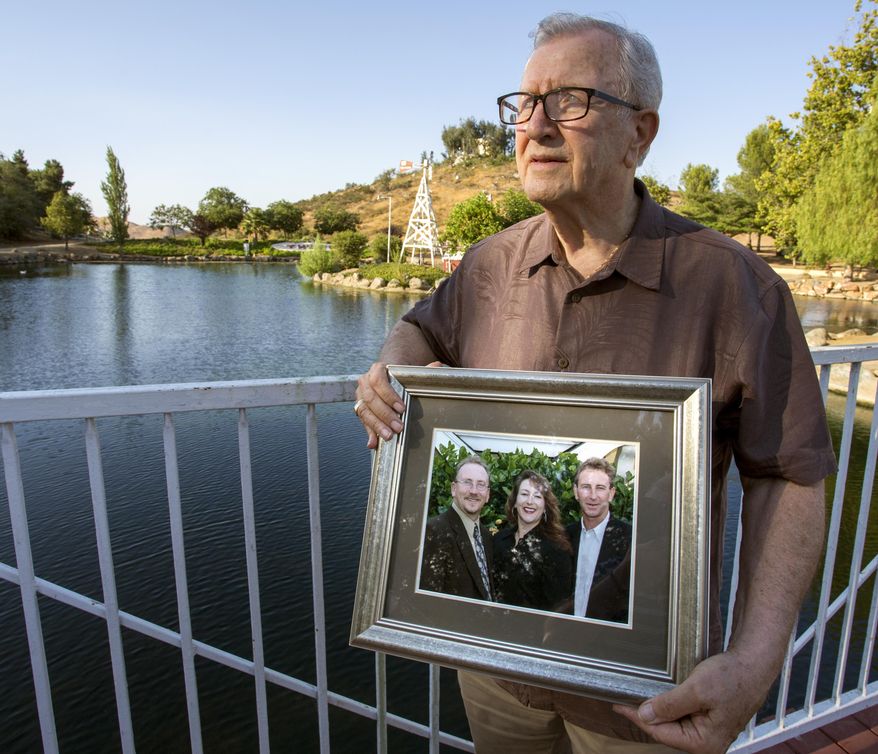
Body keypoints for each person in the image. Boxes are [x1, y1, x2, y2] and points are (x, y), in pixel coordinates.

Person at [354, 12, 836, 754]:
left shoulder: (736, 288)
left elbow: (789, 476)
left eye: (569, 100)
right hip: (498, 677)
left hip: (645, 708)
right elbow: (421, 328)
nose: (534, 125)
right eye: (523, 104)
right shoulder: (488, 266)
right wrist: (390, 359)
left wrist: (754, 662)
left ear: (640, 134)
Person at [492, 470, 573, 612]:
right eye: (524, 494)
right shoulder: (499, 540)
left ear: (545, 507)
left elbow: (558, 611)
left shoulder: (557, 551)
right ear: (515, 502)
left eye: (537, 496)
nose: (529, 501)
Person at [420, 455, 494, 601]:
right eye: (467, 482)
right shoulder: (434, 531)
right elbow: (427, 601)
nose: (474, 491)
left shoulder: (486, 536)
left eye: (481, 484)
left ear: (487, 495)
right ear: (454, 489)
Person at [567, 458, 631, 623]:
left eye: (600, 488)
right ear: (576, 492)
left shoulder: (629, 539)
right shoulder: (564, 536)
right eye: (586, 487)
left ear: (611, 494)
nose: (593, 496)